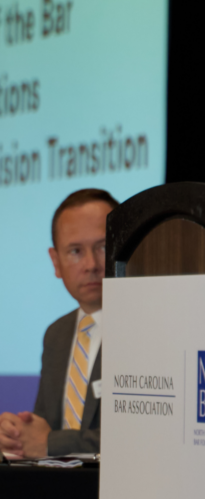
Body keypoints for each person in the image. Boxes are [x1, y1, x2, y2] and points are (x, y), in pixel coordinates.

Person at [0, 189, 118, 458]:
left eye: (103, 246)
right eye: (75, 251)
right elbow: (43, 430)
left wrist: (51, 444)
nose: (91, 264)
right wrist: (17, 436)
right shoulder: (57, 335)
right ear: (56, 261)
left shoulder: (148, 328)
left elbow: (142, 436)